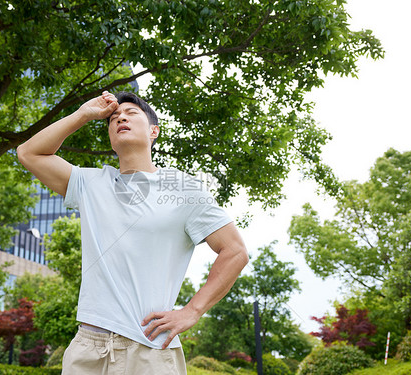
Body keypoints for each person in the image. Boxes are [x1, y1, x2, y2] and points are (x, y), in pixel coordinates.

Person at [17, 91, 249, 374]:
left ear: (154, 131)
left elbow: (235, 251)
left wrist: (192, 310)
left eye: (131, 113)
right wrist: (83, 114)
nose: (121, 117)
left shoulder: (184, 188)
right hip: (88, 350)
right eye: (114, 117)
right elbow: (29, 153)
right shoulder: (90, 183)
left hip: (149, 348)